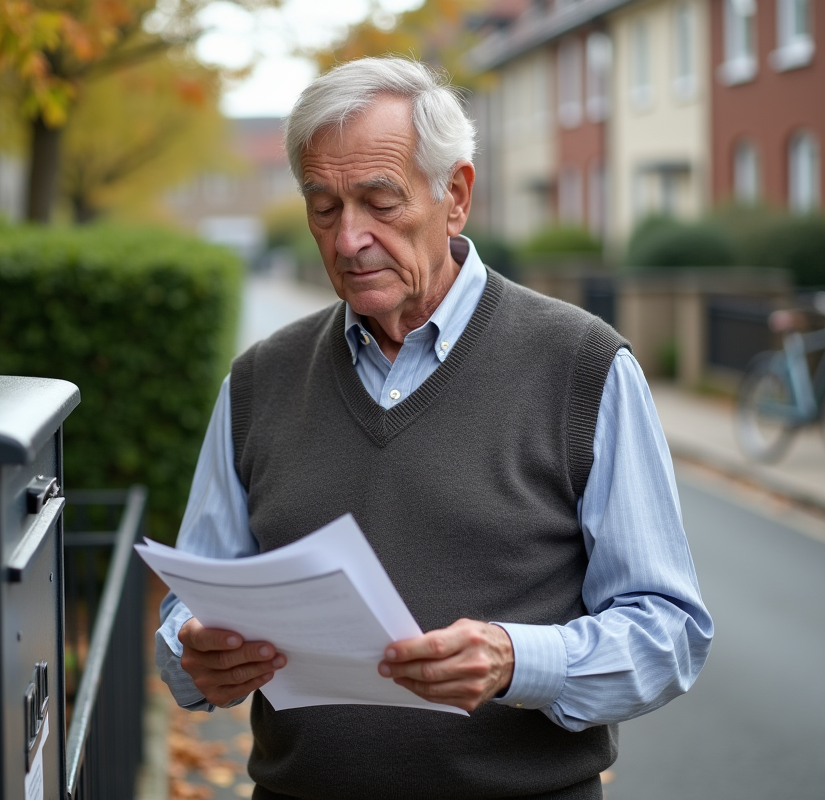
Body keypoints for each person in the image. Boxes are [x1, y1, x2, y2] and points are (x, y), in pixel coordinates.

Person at [156, 57, 713, 800]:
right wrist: (192, 649)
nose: (349, 238)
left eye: (379, 202)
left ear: (456, 195)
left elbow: (669, 630)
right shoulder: (259, 382)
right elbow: (190, 605)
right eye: (323, 207)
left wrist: (518, 660)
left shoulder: (582, 366)